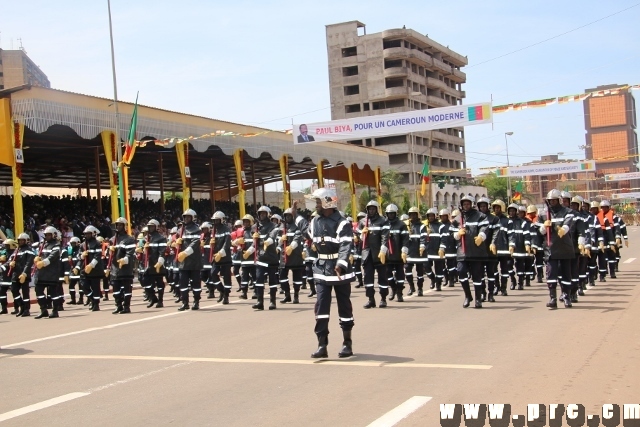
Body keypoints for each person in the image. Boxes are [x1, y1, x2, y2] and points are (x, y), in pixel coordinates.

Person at [304, 188, 355, 358]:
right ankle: (322, 345)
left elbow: (346, 245)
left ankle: (347, 343)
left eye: (318, 201)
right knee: (321, 307)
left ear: (327, 202)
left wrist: (341, 264)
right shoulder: (315, 221)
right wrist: (295, 216)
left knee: (344, 307)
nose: (316, 205)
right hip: (321, 269)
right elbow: (307, 232)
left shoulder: (342, 223)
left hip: (339, 270)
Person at [450, 195, 489, 308]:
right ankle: (468, 296)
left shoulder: (480, 216)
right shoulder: (458, 218)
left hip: (476, 251)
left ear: (472, 204)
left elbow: (485, 227)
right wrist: (457, 234)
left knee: (477, 276)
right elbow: (451, 233)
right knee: (461, 272)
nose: (466, 206)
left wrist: (481, 236)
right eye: (464, 204)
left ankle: (478, 299)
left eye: (468, 204)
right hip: (462, 251)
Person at [539, 189, 575, 309]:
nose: (552, 202)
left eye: (554, 200)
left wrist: (559, 228)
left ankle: (566, 296)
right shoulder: (544, 214)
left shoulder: (568, 211)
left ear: (559, 200)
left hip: (564, 247)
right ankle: (553, 298)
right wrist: (544, 227)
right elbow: (539, 230)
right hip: (550, 248)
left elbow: (567, 225)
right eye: (550, 201)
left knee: (566, 275)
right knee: (551, 274)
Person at [244, 206, 280, 310]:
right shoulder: (255, 227)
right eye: (260, 214)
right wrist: (249, 251)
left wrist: (265, 242)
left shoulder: (274, 226)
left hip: (271, 257)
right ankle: (260, 302)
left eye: (264, 213)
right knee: (258, 279)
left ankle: (272, 302)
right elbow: (254, 244)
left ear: (268, 214)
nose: (262, 215)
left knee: (272, 281)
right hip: (260, 258)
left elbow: (272, 237)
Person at [358, 200, 390, 308]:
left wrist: (383, 250)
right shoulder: (363, 221)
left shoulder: (383, 221)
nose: (371, 211)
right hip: (367, 253)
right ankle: (371, 299)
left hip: (379, 253)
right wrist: (362, 234)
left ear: (376, 209)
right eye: (369, 209)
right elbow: (359, 237)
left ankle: (383, 298)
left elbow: (385, 236)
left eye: (373, 209)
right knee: (367, 277)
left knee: (382, 277)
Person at [176, 209, 203, 311]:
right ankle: (185, 302)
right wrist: (176, 243)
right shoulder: (180, 230)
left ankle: (196, 301)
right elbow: (177, 242)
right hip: (183, 262)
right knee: (183, 283)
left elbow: (195, 243)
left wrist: (185, 253)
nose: (186, 219)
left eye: (188, 217)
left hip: (194, 261)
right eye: (185, 217)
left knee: (196, 283)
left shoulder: (196, 229)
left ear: (193, 218)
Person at [73, 226, 105, 312]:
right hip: (85, 269)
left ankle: (96, 304)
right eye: (85, 234)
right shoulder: (83, 245)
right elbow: (78, 256)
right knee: (83, 285)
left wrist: (91, 265)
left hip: (95, 270)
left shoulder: (97, 243)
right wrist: (78, 264)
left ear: (93, 234)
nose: (86, 235)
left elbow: (97, 256)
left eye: (88, 234)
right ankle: (92, 299)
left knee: (95, 288)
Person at [33, 226, 63, 319]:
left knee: (53, 293)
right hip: (41, 273)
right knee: (38, 291)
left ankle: (55, 311)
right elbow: (39, 254)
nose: (47, 237)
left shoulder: (57, 245)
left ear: (54, 235)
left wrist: (43, 262)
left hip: (52, 273)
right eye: (46, 235)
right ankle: (43, 310)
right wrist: (37, 258)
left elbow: (52, 256)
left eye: (49, 235)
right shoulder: (43, 245)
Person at [279, 207, 305, 304]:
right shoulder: (282, 227)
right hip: (284, 256)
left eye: (290, 215)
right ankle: (287, 295)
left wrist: (291, 247)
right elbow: (277, 240)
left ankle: (296, 296)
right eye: (286, 216)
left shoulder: (297, 226)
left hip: (295, 255)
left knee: (297, 279)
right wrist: (281, 240)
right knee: (282, 277)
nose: (288, 217)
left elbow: (298, 238)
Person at [110, 217, 136, 314]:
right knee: (116, 289)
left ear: (124, 226)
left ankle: (126, 306)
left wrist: (123, 260)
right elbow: (109, 256)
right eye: (117, 225)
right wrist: (110, 251)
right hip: (115, 269)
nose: (118, 227)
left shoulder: (129, 239)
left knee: (126, 289)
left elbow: (130, 254)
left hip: (125, 269)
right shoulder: (112, 239)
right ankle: (118, 305)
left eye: (121, 225)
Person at [385, 204, 409, 302]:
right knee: (387, 274)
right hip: (388, 255)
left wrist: (404, 250)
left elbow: (405, 239)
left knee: (400, 276)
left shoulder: (401, 225)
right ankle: (393, 288)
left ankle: (399, 292)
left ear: (396, 213)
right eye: (389, 213)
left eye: (392, 213)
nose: (390, 215)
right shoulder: (384, 224)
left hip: (399, 254)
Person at [141, 219, 168, 308]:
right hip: (148, 264)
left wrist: (160, 262)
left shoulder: (161, 238)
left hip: (157, 264)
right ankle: (152, 298)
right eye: (149, 227)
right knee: (145, 281)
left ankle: (160, 300)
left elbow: (162, 251)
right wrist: (142, 249)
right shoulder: (146, 238)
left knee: (159, 282)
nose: (150, 228)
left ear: (156, 227)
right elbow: (143, 251)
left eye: (152, 226)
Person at [210, 211, 232, 305]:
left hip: (225, 257)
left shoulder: (226, 229)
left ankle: (226, 296)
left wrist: (221, 252)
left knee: (226, 277)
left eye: (217, 220)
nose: (215, 222)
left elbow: (227, 243)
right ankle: (221, 290)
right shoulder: (213, 230)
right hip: (216, 257)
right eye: (214, 220)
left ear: (221, 220)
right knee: (213, 274)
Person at [10, 233, 35, 317]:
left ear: (26, 241)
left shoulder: (29, 250)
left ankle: (26, 309)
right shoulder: (16, 250)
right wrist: (10, 263)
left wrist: (24, 273)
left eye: (22, 240)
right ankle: (21, 306)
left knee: (25, 292)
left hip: (24, 274)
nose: (20, 242)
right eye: (19, 240)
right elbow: (10, 260)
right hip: (15, 274)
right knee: (14, 290)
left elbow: (29, 263)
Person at [507, 203, 531, 290]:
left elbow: (527, 235)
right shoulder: (506, 221)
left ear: (516, 212)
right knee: (508, 264)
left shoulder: (522, 222)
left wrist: (527, 244)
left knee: (520, 266)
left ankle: (520, 282)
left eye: (513, 211)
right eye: (510, 211)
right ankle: (513, 280)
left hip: (520, 247)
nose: (511, 213)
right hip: (509, 248)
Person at [404, 206, 427, 296]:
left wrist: (422, 246)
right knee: (407, 270)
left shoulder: (422, 226)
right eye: (411, 214)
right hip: (409, 252)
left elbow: (423, 238)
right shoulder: (407, 226)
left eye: (414, 214)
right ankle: (411, 287)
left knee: (420, 272)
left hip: (419, 252)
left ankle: (420, 288)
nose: (413, 216)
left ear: (418, 215)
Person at [491, 200, 512, 296]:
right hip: (493, 250)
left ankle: (504, 288)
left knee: (504, 270)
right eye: (495, 207)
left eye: (498, 207)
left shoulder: (507, 221)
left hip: (504, 249)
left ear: (502, 208)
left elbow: (511, 235)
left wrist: (511, 245)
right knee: (493, 270)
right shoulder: (491, 219)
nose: (496, 209)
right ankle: (496, 286)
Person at [424, 207, 446, 292]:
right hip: (428, 251)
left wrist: (442, 248)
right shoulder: (425, 226)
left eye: (432, 216)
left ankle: (438, 283)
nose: (430, 217)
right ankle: (432, 279)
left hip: (438, 251)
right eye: (429, 216)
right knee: (426, 267)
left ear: (435, 216)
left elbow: (444, 238)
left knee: (439, 269)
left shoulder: (441, 226)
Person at [0, 239, 18, 314]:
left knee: (15, 293)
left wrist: (3, 266)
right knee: (1, 293)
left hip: (12, 276)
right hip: (4, 277)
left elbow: (10, 263)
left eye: (7, 245)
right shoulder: (4, 252)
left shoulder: (15, 253)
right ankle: (4, 308)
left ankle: (16, 308)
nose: (5, 247)